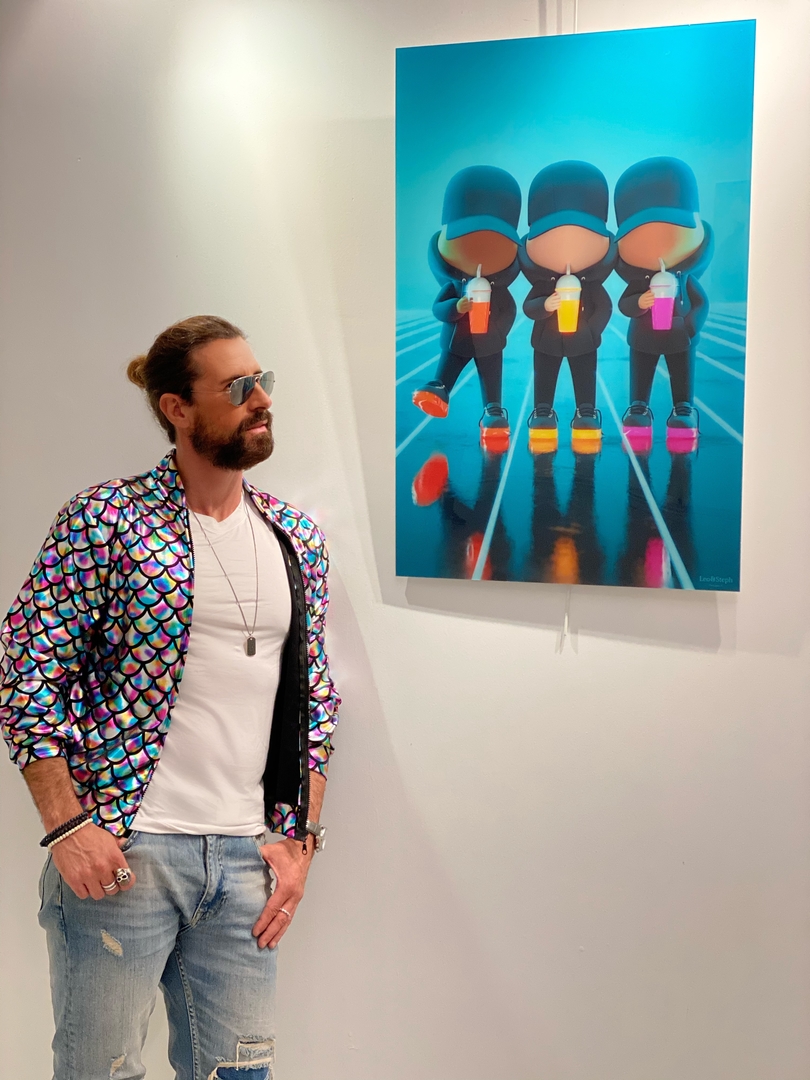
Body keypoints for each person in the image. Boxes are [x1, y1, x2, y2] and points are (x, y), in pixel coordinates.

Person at [0, 315, 340, 1080]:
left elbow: (315, 700)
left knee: (240, 1074)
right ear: (177, 408)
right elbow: (28, 669)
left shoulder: (295, 538)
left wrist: (301, 840)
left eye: (263, 382)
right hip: (127, 854)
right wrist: (67, 826)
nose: (262, 400)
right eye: (238, 387)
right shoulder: (107, 520)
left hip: (248, 863)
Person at [412, 165, 521, 448]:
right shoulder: (456, 286)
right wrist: (457, 308)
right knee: (449, 363)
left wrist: (498, 331)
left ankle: (493, 411)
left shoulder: (499, 292)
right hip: (457, 341)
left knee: (491, 376)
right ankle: (439, 388)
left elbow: (509, 311)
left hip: (490, 344)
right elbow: (439, 309)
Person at [614, 156, 714, 453]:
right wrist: (640, 302)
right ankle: (639, 406)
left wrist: (690, 326)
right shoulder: (640, 280)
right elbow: (625, 304)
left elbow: (701, 303)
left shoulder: (684, 279)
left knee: (681, 372)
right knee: (641, 370)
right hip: (643, 337)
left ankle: (683, 407)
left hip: (679, 338)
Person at [518, 160, 616, 451]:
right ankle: (543, 411)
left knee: (584, 375)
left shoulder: (591, 285)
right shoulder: (544, 283)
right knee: (545, 375)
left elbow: (605, 308)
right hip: (546, 341)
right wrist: (546, 304)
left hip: (583, 342)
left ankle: (586, 411)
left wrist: (591, 331)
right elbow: (529, 307)